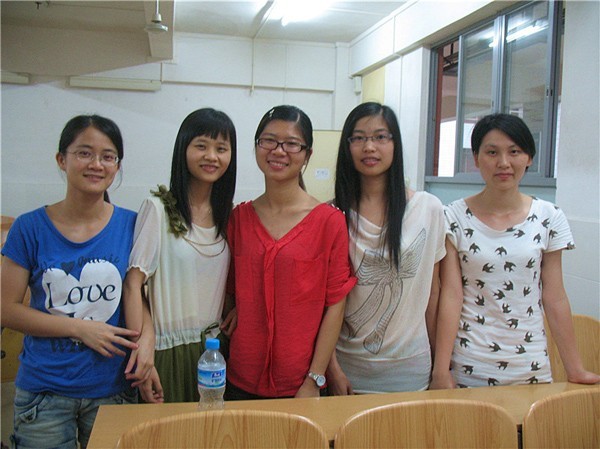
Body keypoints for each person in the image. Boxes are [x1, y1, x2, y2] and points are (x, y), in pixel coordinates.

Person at [431, 113, 600, 388]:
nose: (503, 163)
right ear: (476, 158)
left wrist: (575, 369)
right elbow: (451, 294)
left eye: (514, 152)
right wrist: (440, 370)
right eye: (492, 152)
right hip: (469, 364)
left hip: (530, 364)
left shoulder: (549, 216)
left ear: (529, 157)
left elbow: (555, 297)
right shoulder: (452, 216)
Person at [0, 115, 140, 449]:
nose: (96, 164)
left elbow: (138, 294)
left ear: (117, 166)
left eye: (108, 156)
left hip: (113, 390)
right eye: (84, 153)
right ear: (61, 159)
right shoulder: (29, 227)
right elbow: (6, 308)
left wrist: (145, 343)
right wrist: (80, 328)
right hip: (45, 394)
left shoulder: (132, 225)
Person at [223, 105, 356, 400]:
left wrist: (314, 378)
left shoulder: (329, 222)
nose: (279, 151)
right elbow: (231, 289)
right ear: (256, 146)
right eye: (269, 140)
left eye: (292, 144)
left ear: (307, 154)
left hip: (300, 384)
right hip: (240, 378)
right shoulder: (239, 219)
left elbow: (335, 305)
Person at [326, 102, 446, 394]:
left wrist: (442, 367)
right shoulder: (331, 215)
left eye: (380, 137)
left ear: (395, 144)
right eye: (359, 138)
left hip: (411, 370)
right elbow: (321, 304)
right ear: (347, 146)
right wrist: (331, 369)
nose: (369, 147)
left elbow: (433, 293)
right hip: (348, 371)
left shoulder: (428, 209)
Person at [123, 108, 237, 403]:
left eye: (221, 148)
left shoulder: (228, 215)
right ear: (183, 148)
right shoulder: (158, 209)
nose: (211, 156)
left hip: (214, 354)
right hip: (168, 353)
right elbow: (133, 285)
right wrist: (142, 352)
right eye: (201, 145)